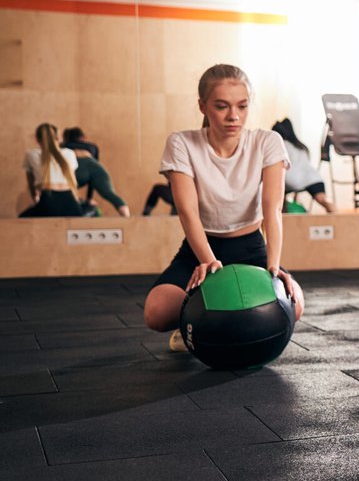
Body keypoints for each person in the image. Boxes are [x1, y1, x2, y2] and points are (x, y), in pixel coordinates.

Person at [142, 65, 305, 350]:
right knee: (156, 313)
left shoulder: (267, 142)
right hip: (200, 248)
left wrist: (273, 266)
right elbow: (187, 211)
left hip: (251, 247)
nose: (234, 116)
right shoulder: (182, 143)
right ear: (203, 106)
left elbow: (272, 208)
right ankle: (190, 323)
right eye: (222, 106)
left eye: (242, 106)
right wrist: (207, 261)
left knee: (295, 306)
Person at [63, 127, 131, 217]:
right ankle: (127, 218)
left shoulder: (63, 147)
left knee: (65, 194)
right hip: (96, 169)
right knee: (111, 195)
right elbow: (93, 178)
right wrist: (89, 198)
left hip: (75, 170)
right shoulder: (92, 147)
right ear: (83, 138)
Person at [271, 118, 335, 212]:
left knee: (278, 196)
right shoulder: (300, 146)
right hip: (313, 177)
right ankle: (337, 217)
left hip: (291, 179)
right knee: (323, 199)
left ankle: (284, 217)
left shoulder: (280, 144)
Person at [20, 123, 81, 217]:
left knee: (22, 219)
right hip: (70, 201)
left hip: (48, 199)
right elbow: (73, 181)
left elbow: (31, 183)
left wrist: (35, 199)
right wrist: (76, 200)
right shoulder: (70, 153)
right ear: (58, 138)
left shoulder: (31, 154)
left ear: (37, 139)